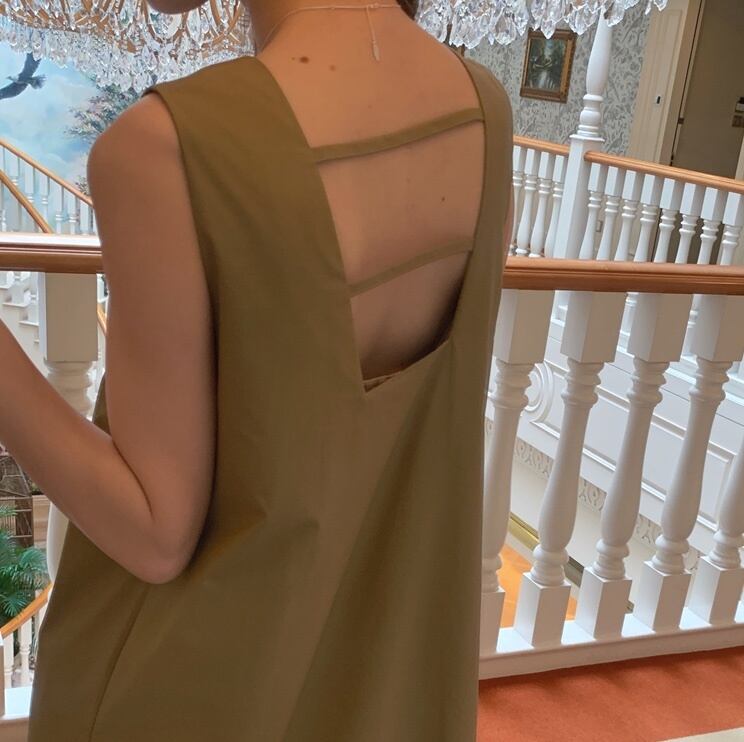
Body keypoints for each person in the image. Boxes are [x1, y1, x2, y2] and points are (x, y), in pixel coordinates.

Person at [20, 0, 513, 738]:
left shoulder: (166, 147)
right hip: (381, 689)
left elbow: (155, 534)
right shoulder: (483, 111)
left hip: (182, 696)